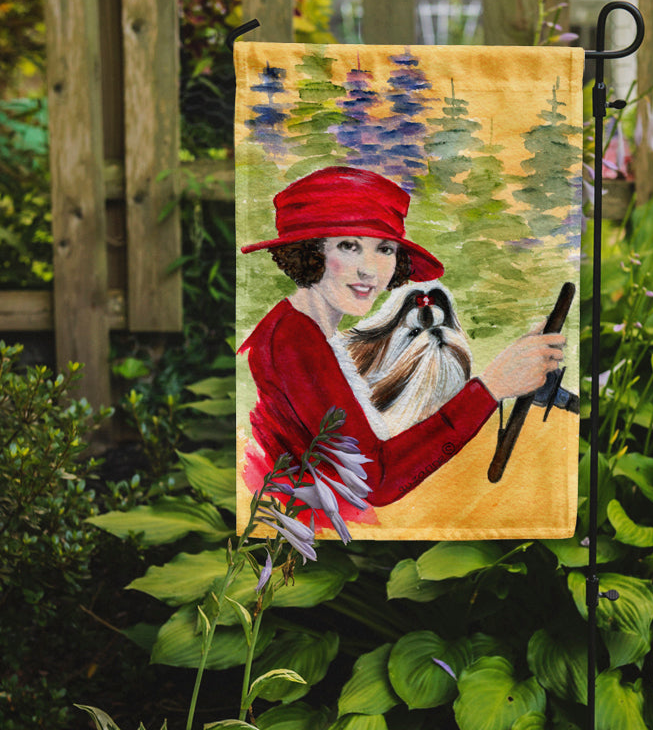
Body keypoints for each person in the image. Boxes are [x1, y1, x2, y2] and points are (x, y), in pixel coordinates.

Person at [239, 165, 565, 508]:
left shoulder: (304, 331)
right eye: (349, 246)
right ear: (309, 253)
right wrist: (491, 388)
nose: (370, 269)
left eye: (385, 249)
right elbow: (373, 481)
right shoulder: (294, 342)